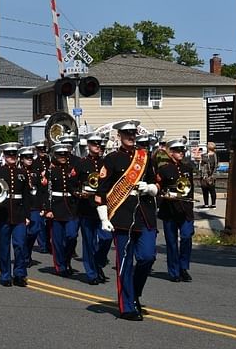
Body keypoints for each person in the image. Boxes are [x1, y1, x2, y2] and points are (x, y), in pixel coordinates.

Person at [95, 119, 159, 321]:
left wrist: (150, 188)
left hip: (145, 214)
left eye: (133, 134)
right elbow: (101, 192)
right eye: (127, 134)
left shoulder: (145, 157)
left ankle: (135, 292)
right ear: (119, 136)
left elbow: (157, 185)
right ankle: (127, 306)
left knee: (147, 257)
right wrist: (104, 218)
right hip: (122, 216)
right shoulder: (112, 159)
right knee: (124, 262)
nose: (131, 137)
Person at [156, 138, 196, 283]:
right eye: (178, 151)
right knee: (171, 242)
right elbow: (158, 189)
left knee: (186, 236)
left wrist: (191, 207)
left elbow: (190, 189)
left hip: (185, 209)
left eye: (182, 150)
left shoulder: (187, 169)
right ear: (171, 153)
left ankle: (183, 267)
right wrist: (163, 198)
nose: (181, 153)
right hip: (170, 210)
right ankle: (174, 271)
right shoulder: (164, 169)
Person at [0, 142, 29, 287]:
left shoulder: (22, 173)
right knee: (4, 246)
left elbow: (26, 196)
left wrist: (27, 215)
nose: (11, 157)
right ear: (4, 156)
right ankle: (5, 275)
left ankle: (19, 274)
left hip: (19, 213)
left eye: (14, 154)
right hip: (3, 213)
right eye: (9, 154)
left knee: (20, 245)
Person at [77, 132, 112, 285]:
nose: (97, 146)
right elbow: (72, 183)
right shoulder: (81, 163)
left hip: (103, 207)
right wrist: (79, 193)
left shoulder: (106, 163)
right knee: (89, 242)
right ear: (88, 145)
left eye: (99, 144)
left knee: (106, 238)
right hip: (87, 207)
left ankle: (98, 263)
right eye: (94, 143)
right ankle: (91, 273)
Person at [44, 143, 81, 278]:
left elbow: (77, 185)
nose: (63, 157)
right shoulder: (50, 171)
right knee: (58, 241)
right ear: (55, 155)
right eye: (60, 154)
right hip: (56, 207)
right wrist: (48, 209)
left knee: (72, 235)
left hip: (71, 207)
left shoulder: (73, 169)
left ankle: (67, 259)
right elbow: (47, 191)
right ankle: (60, 266)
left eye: (65, 154)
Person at [18, 146, 45, 268]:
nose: (29, 160)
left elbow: (41, 190)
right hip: (22, 206)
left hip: (35, 206)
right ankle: (24, 256)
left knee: (34, 231)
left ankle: (27, 252)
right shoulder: (18, 172)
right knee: (23, 233)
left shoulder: (36, 173)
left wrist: (43, 206)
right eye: (26, 158)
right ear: (22, 159)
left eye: (30, 158)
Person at [32, 140, 51, 254]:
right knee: (40, 220)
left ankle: (48, 243)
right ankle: (43, 244)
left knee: (49, 220)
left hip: (49, 190)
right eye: (40, 150)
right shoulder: (35, 163)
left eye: (44, 150)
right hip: (40, 191)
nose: (42, 152)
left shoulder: (49, 161)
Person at [199, 142, 218, 209]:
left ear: (208, 147)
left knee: (205, 190)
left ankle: (206, 204)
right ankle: (213, 204)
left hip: (205, 175)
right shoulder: (215, 156)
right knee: (212, 190)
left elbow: (202, 165)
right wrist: (213, 175)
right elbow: (216, 166)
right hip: (212, 175)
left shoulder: (204, 156)